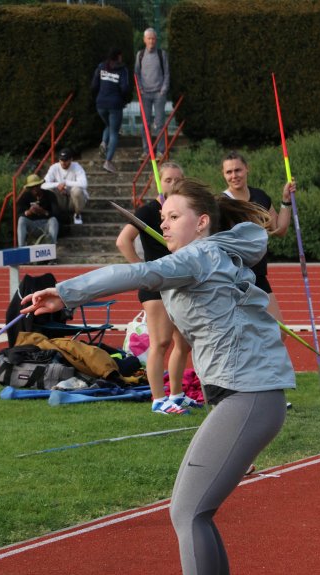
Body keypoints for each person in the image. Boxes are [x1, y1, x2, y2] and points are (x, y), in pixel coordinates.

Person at [21, 178, 295, 575]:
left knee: (188, 513)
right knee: (195, 513)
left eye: (173, 216)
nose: (163, 224)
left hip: (250, 397)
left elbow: (139, 271)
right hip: (246, 397)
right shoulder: (208, 255)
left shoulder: (201, 255)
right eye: (162, 216)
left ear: (202, 222)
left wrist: (66, 292)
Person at [116, 162, 196, 415]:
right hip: (156, 286)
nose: (174, 184)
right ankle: (158, 400)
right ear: (158, 182)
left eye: (178, 179)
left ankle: (176, 395)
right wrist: (141, 270)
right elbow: (123, 240)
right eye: (169, 180)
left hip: (179, 283)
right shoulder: (150, 211)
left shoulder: (184, 211)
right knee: (161, 342)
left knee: (183, 344)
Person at [222, 151, 296, 331]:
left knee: (279, 332)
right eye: (229, 172)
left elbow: (278, 229)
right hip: (234, 279)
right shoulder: (221, 203)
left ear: (247, 169)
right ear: (223, 175)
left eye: (238, 170)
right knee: (243, 334)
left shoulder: (260, 197)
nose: (234, 176)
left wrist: (286, 201)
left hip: (258, 275)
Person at [91, 47, 130, 174]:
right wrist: (123, 99)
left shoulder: (101, 67)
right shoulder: (122, 69)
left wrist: (99, 96)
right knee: (114, 131)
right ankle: (108, 161)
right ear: (118, 56)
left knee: (108, 125)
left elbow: (94, 85)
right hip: (115, 104)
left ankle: (103, 142)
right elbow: (125, 88)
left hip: (100, 103)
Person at [134, 27, 170, 161]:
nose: (151, 41)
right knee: (145, 124)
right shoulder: (140, 55)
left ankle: (161, 151)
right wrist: (140, 89)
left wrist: (163, 90)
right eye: (149, 38)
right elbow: (136, 73)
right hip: (145, 95)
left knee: (160, 123)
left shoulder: (162, 54)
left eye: (153, 38)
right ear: (144, 40)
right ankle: (147, 151)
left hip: (159, 94)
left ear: (156, 40)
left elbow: (167, 73)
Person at [42, 147, 89, 225]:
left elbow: (84, 184)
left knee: (77, 190)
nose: (63, 162)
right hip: (61, 199)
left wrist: (66, 183)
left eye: (66, 160)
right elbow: (43, 185)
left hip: (73, 201)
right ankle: (54, 215)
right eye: (61, 160)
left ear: (71, 159)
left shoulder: (77, 167)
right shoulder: (54, 167)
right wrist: (58, 185)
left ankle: (77, 214)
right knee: (48, 190)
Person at [17, 173, 59, 247]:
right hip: (32, 225)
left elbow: (57, 214)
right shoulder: (25, 196)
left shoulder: (50, 195)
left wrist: (44, 212)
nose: (34, 189)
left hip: (46, 224)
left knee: (53, 220)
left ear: (40, 185)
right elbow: (19, 213)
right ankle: (21, 248)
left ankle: (52, 248)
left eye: (36, 186)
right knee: (21, 220)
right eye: (31, 187)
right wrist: (29, 212)